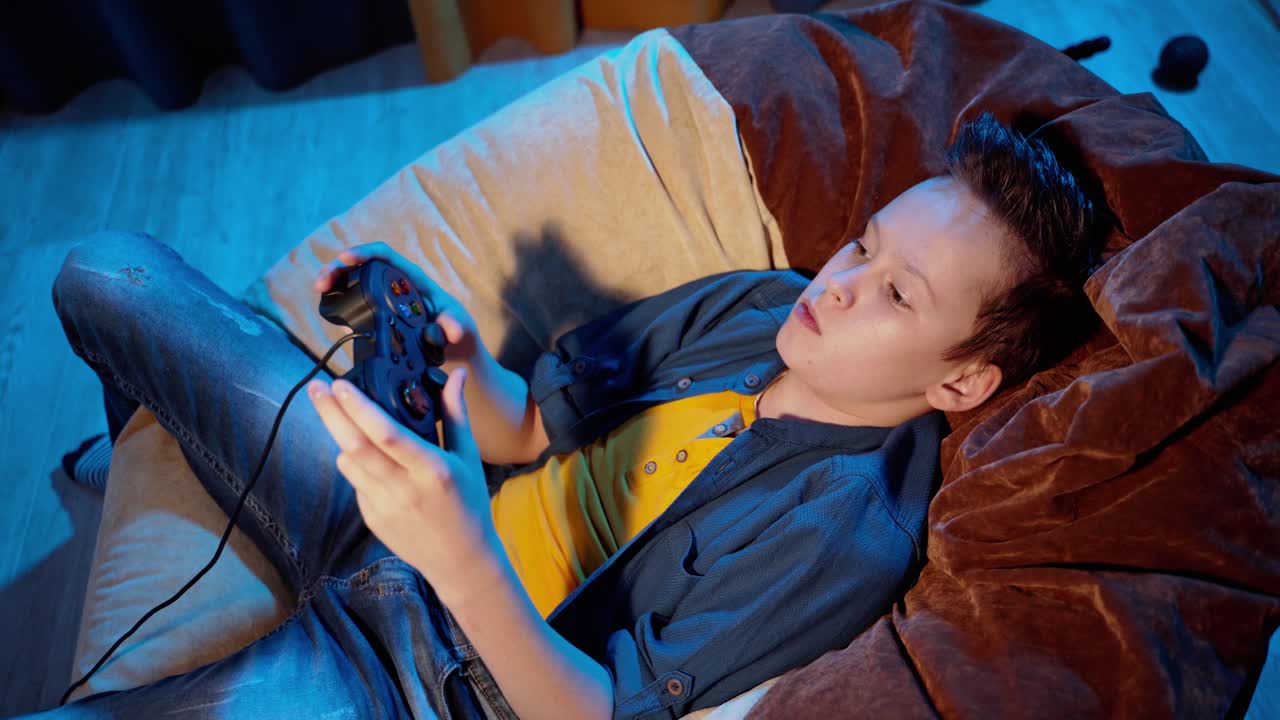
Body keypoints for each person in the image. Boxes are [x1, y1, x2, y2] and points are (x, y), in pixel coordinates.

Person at [35, 112, 1101, 720]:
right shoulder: (764, 304)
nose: (839, 283)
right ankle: (137, 445)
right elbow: (529, 429)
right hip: (403, 500)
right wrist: (454, 356)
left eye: (896, 294)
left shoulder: (844, 535)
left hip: (428, 681)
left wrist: (455, 553)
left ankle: (155, 469)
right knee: (106, 272)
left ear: (959, 383)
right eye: (865, 245)